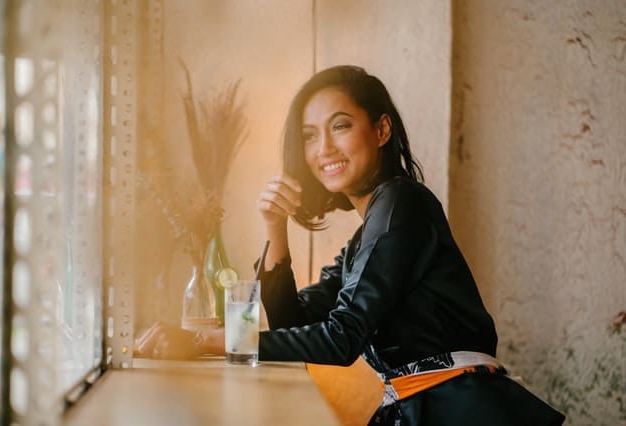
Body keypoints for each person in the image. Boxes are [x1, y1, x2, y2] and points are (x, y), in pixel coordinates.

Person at [137, 65, 565, 425]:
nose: (323, 149)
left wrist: (205, 343)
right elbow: (291, 322)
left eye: (339, 126)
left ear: (381, 129)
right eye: (308, 135)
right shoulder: (368, 233)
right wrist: (275, 229)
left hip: (464, 410)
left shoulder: (401, 202)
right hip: (432, 408)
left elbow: (341, 340)